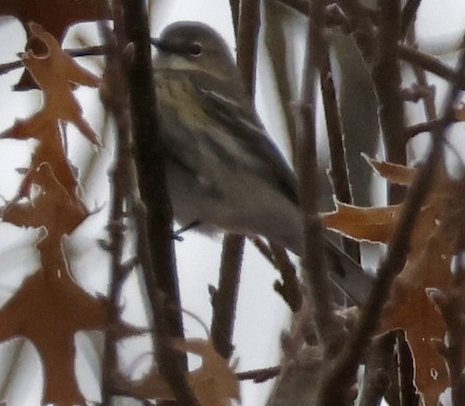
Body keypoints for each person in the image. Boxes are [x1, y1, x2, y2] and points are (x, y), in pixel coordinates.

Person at [152, 21, 374, 304]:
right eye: (165, 48)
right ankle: (360, 288)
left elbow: (258, 146)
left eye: (194, 51)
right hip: (215, 202)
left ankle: (362, 290)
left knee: (317, 249)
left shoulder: (199, 84)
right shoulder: (148, 90)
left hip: (251, 183)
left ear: (215, 60)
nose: (172, 54)